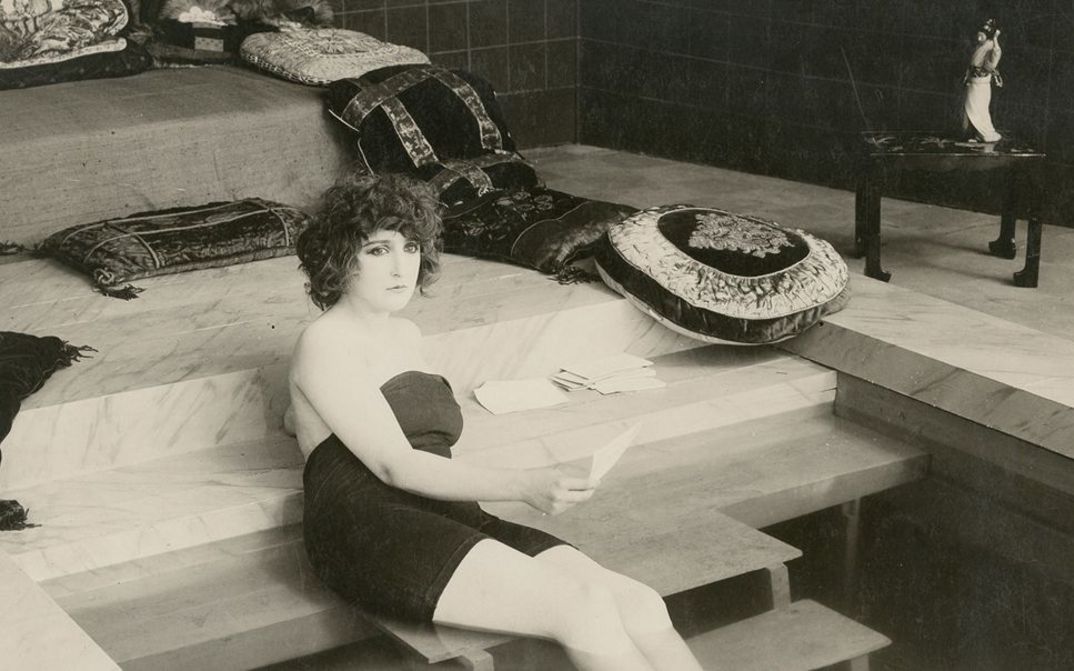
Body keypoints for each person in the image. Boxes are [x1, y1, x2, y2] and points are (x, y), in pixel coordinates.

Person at [288, 173, 704, 671]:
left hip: (445, 511)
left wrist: (299, 416)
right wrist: (525, 484)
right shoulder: (325, 341)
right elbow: (396, 465)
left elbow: (348, 412)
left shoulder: (405, 334)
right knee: (582, 609)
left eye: (411, 247)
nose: (402, 267)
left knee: (640, 604)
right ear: (339, 258)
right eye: (378, 251)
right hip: (368, 527)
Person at [962, 18, 1003, 143]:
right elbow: (972, 64)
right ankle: (973, 133)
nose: (979, 36)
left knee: (979, 108)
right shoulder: (980, 46)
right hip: (973, 81)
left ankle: (983, 133)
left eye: (983, 34)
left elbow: (996, 54)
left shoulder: (991, 46)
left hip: (981, 84)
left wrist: (995, 38)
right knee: (970, 108)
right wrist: (967, 76)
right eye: (979, 33)